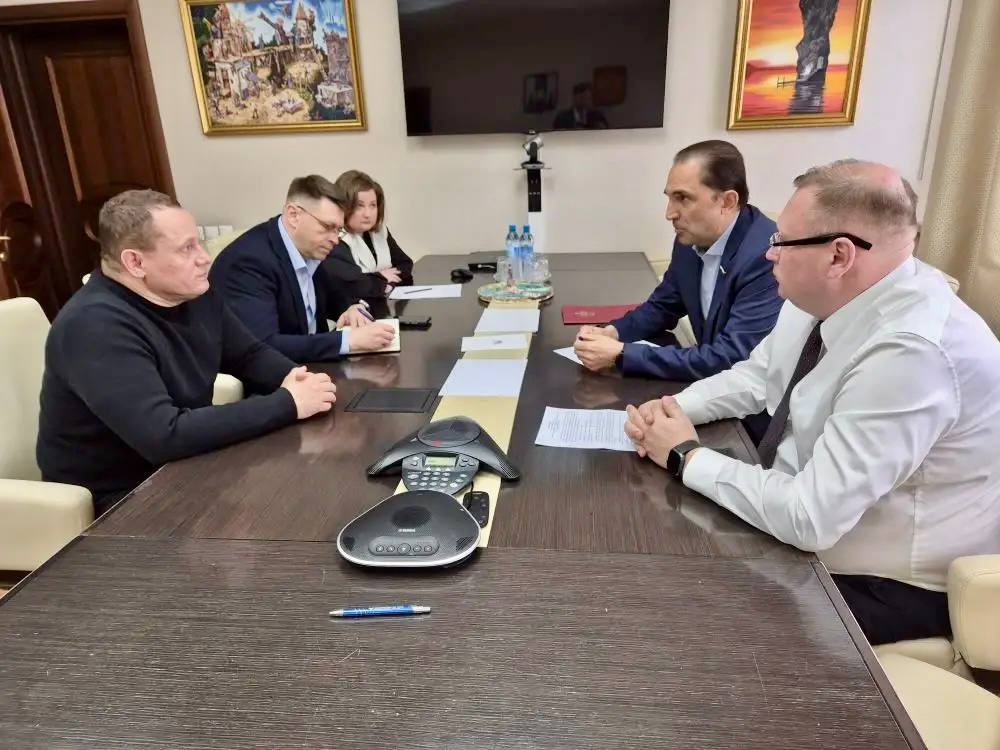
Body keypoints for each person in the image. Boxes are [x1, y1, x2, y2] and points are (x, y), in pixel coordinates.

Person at [624, 159, 1000, 645]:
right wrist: (674, 409)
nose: (768, 254)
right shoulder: (829, 296)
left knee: (682, 616)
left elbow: (810, 518)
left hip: (882, 580)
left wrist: (684, 455)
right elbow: (757, 376)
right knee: (660, 558)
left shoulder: (911, 351)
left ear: (839, 255)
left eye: (781, 241)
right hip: (809, 521)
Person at [36, 190, 338, 516]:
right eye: (186, 248)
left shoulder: (192, 293)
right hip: (120, 499)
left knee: (311, 493)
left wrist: (298, 379)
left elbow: (249, 355)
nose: (204, 258)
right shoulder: (93, 326)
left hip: (187, 467)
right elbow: (163, 435)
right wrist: (288, 402)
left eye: (199, 243)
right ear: (135, 262)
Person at [574, 141, 781, 411]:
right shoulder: (690, 239)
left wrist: (622, 354)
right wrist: (612, 332)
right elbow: (663, 306)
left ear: (727, 201)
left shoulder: (764, 256)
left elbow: (731, 358)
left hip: (754, 408)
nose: (669, 213)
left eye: (683, 198)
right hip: (710, 388)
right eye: (669, 197)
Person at [210, 175, 395, 362]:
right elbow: (263, 346)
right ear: (294, 215)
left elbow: (334, 297)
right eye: (328, 227)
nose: (335, 239)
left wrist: (351, 308)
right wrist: (346, 340)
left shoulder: (309, 248)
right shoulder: (249, 262)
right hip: (277, 373)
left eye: (338, 230)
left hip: (312, 365)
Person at [319, 169, 414, 307]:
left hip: (381, 305)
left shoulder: (379, 232)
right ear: (343, 206)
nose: (368, 214)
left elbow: (405, 264)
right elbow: (354, 285)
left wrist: (381, 281)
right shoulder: (334, 239)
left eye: (373, 205)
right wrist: (381, 278)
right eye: (359, 206)